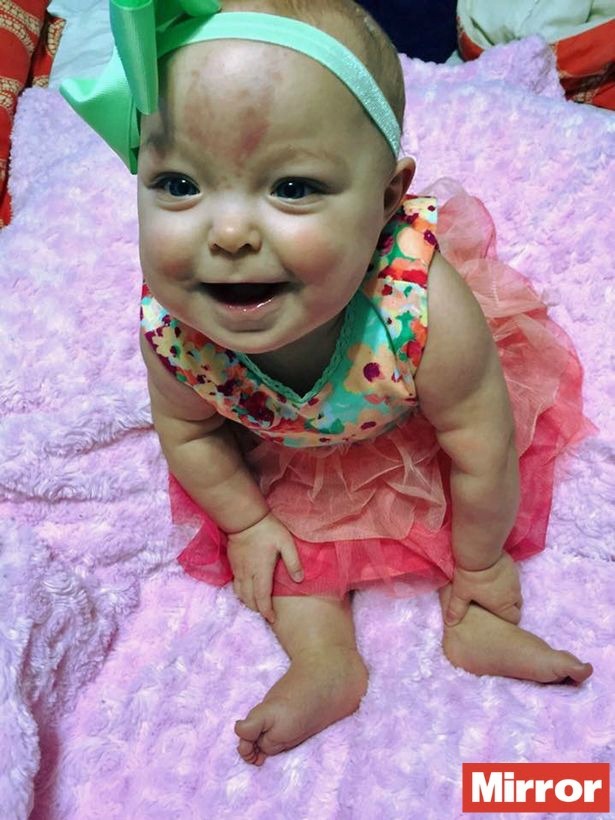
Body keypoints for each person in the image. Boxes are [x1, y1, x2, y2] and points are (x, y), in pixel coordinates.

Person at [61, 0, 594, 768]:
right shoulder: (175, 332)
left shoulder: (420, 309)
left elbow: (478, 441)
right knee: (286, 552)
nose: (228, 233)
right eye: (178, 183)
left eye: (293, 187)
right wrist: (247, 522)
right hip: (292, 447)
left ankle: (477, 617)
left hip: (412, 426)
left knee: (474, 503)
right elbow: (191, 431)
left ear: (385, 201)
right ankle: (323, 663)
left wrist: (481, 561)